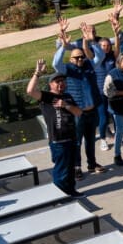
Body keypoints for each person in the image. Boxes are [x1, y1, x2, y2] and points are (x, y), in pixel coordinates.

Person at [53, 21, 106, 177]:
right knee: (77, 142)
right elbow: (56, 63)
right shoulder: (67, 69)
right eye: (76, 58)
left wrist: (91, 41)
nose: (79, 60)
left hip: (92, 111)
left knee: (90, 140)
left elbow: (100, 56)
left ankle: (91, 163)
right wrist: (63, 46)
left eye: (81, 57)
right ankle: (76, 167)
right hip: (77, 113)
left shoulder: (89, 65)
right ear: (71, 60)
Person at [26, 60, 83, 196]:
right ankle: (59, 196)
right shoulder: (47, 97)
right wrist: (37, 73)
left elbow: (79, 112)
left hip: (71, 138)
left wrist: (66, 106)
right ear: (51, 84)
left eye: (63, 81)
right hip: (58, 141)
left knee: (70, 169)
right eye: (57, 81)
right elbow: (30, 91)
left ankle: (71, 191)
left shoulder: (67, 97)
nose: (61, 83)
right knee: (61, 171)